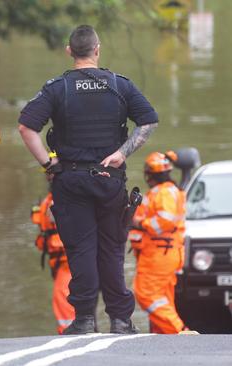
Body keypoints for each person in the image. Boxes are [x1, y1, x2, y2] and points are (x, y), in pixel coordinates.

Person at [18, 24, 159, 334]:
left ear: (70, 52)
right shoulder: (120, 85)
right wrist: (122, 153)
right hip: (110, 181)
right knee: (111, 250)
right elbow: (148, 121)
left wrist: (49, 164)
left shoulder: (57, 88)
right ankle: (121, 321)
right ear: (98, 50)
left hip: (70, 180)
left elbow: (27, 128)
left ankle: (83, 320)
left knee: (80, 250)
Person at [130, 151, 186, 334]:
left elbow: (165, 220)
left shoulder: (164, 193)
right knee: (163, 299)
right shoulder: (164, 192)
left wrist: (141, 223)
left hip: (160, 254)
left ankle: (180, 332)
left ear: (149, 174)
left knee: (147, 293)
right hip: (162, 253)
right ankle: (165, 339)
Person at [30, 169, 75, 334]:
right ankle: (76, 331)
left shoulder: (61, 199)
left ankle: (70, 333)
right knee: (75, 299)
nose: (49, 177)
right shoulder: (53, 199)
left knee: (63, 298)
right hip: (63, 261)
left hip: (68, 262)